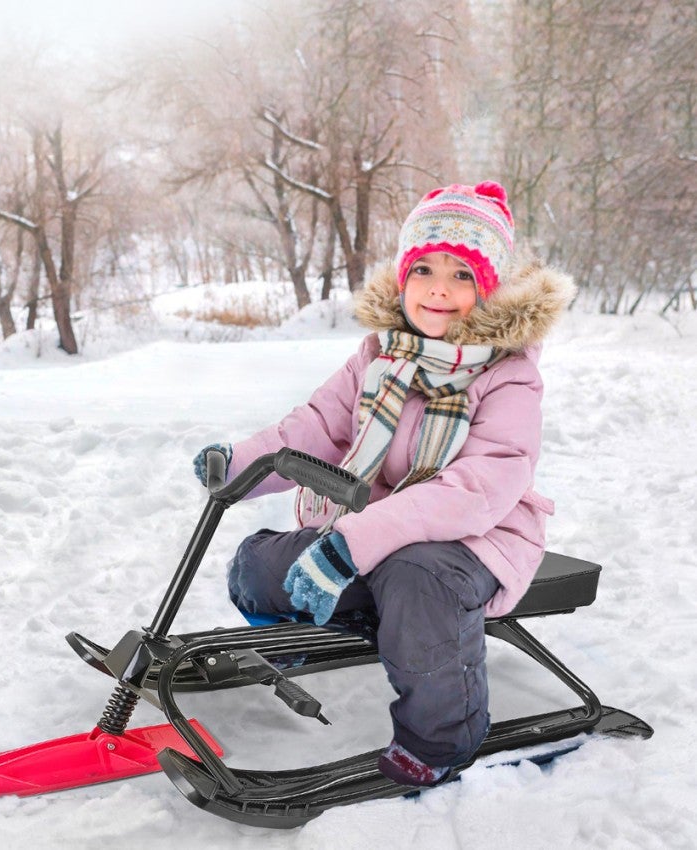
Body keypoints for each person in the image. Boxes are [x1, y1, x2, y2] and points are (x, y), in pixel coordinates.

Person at [193, 181, 576, 787]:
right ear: (404, 277)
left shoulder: (508, 376)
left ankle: (441, 738)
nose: (440, 289)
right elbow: (316, 424)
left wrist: (353, 541)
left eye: (463, 275)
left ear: (490, 289)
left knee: (416, 577)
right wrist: (238, 463)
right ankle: (346, 622)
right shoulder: (379, 355)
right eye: (424, 268)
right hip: (375, 528)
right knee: (259, 566)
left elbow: (478, 488)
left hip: (475, 540)